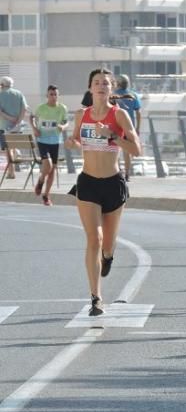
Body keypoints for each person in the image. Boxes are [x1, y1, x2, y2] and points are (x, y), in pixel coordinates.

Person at [64, 68, 141, 316]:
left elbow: (137, 149)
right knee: (93, 239)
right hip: (88, 183)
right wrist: (72, 143)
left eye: (105, 83)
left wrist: (113, 137)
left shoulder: (119, 116)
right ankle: (96, 298)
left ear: (111, 89)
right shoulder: (81, 115)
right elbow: (76, 140)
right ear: (90, 88)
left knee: (107, 244)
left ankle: (108, 256)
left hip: (112, 184)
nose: (101, 86)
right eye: (96, 82)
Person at [31, 85, 69, 205]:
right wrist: (35, 129)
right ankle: (41, 181)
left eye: (55, 94)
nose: (53, 97)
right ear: (47, 96)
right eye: (51, 94)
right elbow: (32, 118)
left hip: (55, 141)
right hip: (42, 140)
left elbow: (66, 121)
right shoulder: (41, 108)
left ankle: (46, 196)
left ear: (58, 96)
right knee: (48, 165)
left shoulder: (62, 108)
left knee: (52, 170)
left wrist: (63, 126)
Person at [113, 75, 142, 181]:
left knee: (115, 149)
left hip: (116, 126)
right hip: (129, 127)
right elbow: (138, 112)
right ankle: (127, 174)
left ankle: (118, 172)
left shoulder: (113, 95)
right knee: (127, 151)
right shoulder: (133, 95)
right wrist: (137, 128)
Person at [0, 76, 28, 180]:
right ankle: (17, 153)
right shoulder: (19, 93)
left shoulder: (0, 94)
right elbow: (24, 108)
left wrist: (10, 118)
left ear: (1, 85)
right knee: (12, 147)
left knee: (8, 150)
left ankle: (11, 172)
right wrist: (18, 120)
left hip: (4, 127)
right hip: (18, 128)